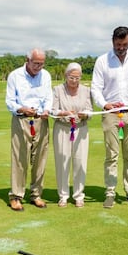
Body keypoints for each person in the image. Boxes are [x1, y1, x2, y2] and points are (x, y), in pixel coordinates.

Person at [91, 26, 128, 208]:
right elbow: (96, 87)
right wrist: (104, 105)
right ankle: (110, 192)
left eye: (124, 44)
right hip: (110, 114)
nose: (121, 48)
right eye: (118, 44)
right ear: (113, 42)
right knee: (111, 155)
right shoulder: (102, 61)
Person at [5, 48, 53, 211]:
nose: (38, 67)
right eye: (35, 63)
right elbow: (10, 101)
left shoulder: (46, 75)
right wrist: (22, 108)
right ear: (27, 59)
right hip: (21, 120)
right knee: (20, 159)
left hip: (41, 120)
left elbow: (48, 97)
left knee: (40, 158)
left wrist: (47, 109)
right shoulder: (15, 76)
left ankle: (36, 194)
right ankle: (16, 196)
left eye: (41, 64)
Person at [52, 62, 93, 208]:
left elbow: (90, 111)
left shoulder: (86, 90)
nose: (74, 81)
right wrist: (63, 113)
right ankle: (63, 195)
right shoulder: (57, 90)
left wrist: (85, 115)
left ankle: (79, 195)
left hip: (81, 129)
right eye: (71, 77)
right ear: (66, 76)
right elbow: (53, 110)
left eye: (77, 78)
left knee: (80, 161)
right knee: (62, 162)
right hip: (62, 128)